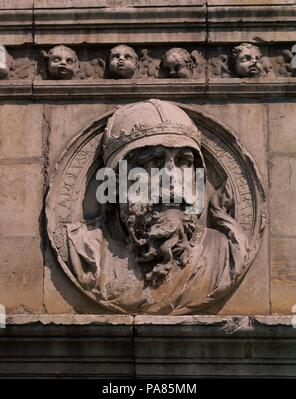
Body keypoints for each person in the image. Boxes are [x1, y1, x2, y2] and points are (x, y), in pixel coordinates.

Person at [64, 99, 249, 315]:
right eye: (153, 162)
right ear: (118, 181)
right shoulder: (85, 250)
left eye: (183, 161)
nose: (171, 176)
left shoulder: (225, 253)